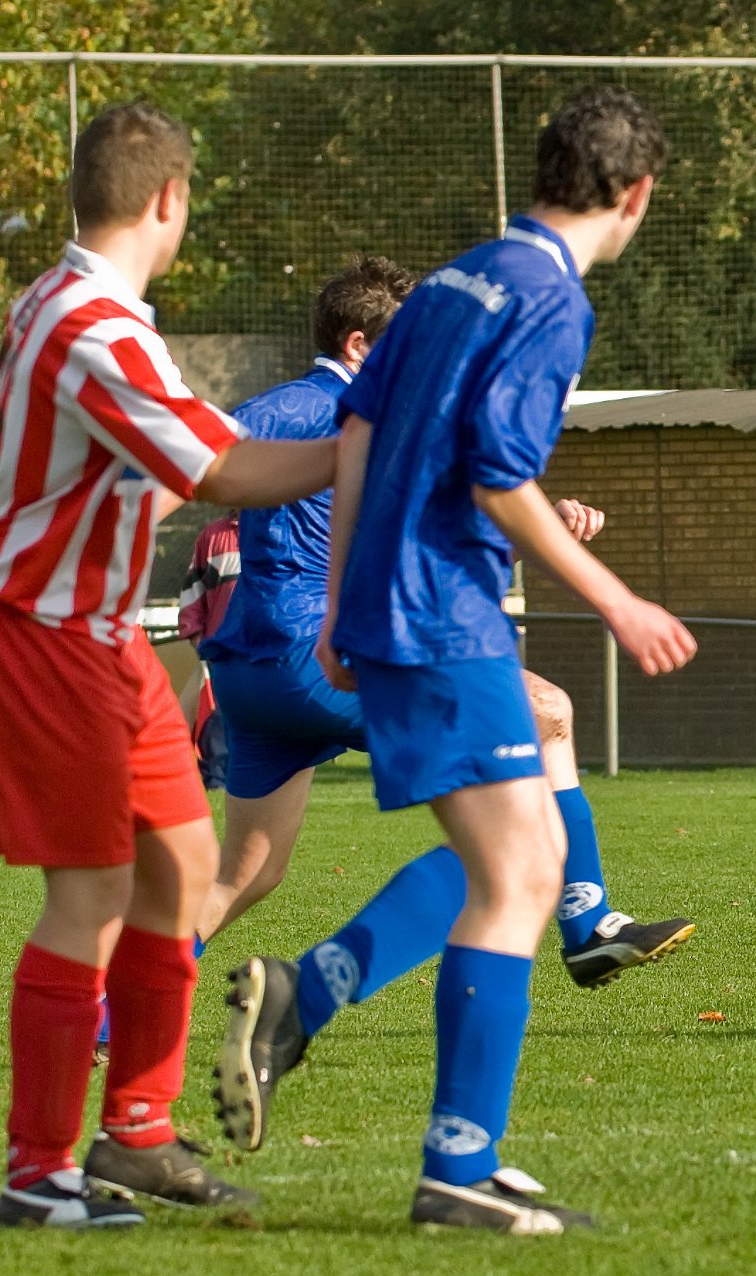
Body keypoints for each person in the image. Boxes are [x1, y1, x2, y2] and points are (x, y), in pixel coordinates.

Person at [216, 87, 696, 1236]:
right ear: (634, 195)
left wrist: (341, 600)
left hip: (392, 610)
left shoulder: (452, 282)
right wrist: (617, 597)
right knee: (521, 872)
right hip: (444, 616)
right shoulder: (551, 300)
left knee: (516, 858)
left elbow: (358, 435)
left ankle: (314, 1005)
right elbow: (496, 477)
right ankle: (451, 1160)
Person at [0, 101, 338, 1229]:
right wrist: (359, 447)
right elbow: (218, 469)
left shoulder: (80, 307)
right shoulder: (93, 326)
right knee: (91, 894)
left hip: (98, 633)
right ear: (170, 200)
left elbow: (181, 450)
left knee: (181, 866)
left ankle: (136, 1135)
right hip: (41, 632)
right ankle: (37, 1173)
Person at [190, 257, 690, 993]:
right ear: (358, 346)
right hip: (317, 654)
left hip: (254, 671)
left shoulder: (377, 420)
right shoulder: (315, 403)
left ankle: (106, 1006)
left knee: (247, 873)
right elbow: (201, 450)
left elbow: (419, 535)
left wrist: (539, 528)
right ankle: (586, 924)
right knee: (541, 726)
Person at [178, 509, 240, 788]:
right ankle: (217, 777)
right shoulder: (213, 535)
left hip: (269, 647)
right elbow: (192, 589)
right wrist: (196, 636)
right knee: (220, 713)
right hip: (221, 647)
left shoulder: (282, 529)